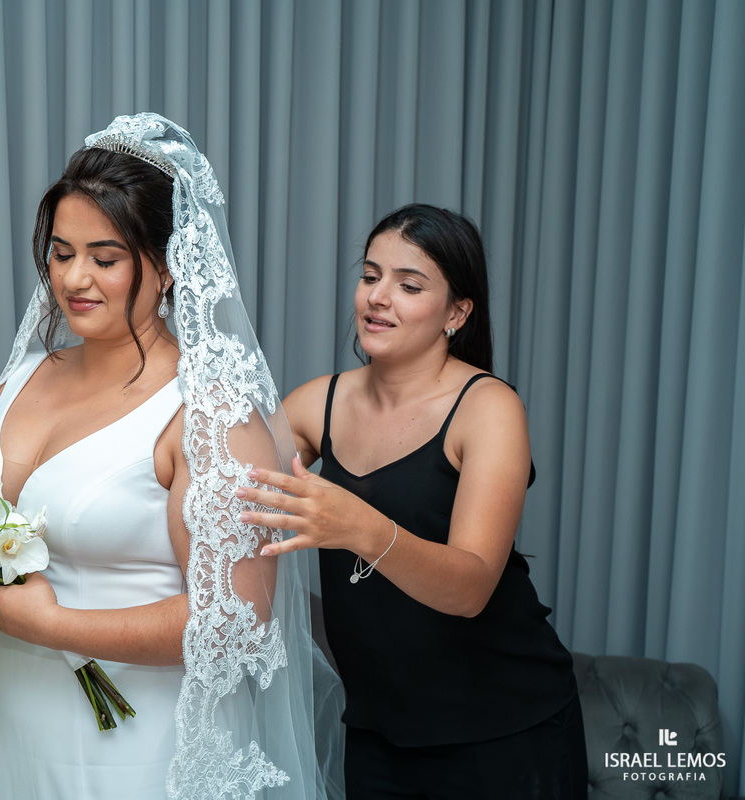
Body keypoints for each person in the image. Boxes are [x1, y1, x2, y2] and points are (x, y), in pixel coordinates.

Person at [0, 113, 344, 800]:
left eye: (105, 258)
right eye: (61, 251)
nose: (75, 278)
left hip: (143, 745)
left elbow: (234, 620)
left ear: (168, 268)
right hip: (27, 720)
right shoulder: (23, 379)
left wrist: (55, 625)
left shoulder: (206, 413)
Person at [238, 204, 587, 799]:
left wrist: (361, 527)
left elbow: (471, 587)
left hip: (503, 728)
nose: (378, 297)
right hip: (378, 731)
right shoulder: (318, 402)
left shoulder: (488, 407)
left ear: (457, 313)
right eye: (371, 276)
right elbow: (222, 480)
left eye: (409, 285)